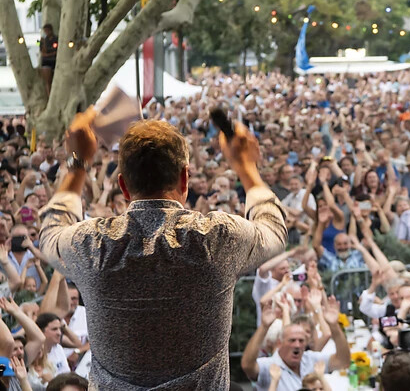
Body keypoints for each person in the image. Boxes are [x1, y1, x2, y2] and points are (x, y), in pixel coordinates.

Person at [38, 112, 287, 389]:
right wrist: (245, 167)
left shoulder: (92, 246)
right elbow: (273, 229)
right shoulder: (217, 238)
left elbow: (49, 234)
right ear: (185, 179)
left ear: (123, 186)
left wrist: (77, 163)